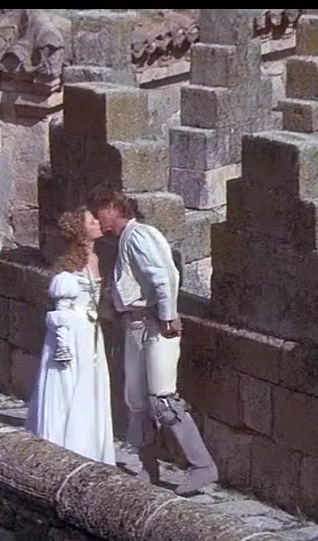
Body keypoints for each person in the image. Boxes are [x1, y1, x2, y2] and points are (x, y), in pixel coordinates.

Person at [87, 185, 219, 496]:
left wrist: (168, 316)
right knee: (135, 398)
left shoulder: (139, 235)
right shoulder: (125, 240)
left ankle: (202, 466)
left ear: (113, 209)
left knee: (163, 398)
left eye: (99, 212)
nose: (97, 220)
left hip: (154, 325)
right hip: (134, 325)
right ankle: (148, 465)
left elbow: (165, 276)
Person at [24, 208, 117, 466]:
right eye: (91, 221)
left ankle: (90, 449)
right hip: (72, 333)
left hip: (90, 332)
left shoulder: (95, 258)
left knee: (90, 387)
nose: (97, 222)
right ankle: (65, 448)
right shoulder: (69, 267)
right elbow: (60, 310)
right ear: (81, 231)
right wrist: (63, 345)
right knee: (69, 385)